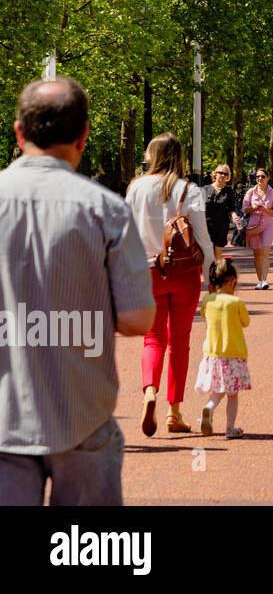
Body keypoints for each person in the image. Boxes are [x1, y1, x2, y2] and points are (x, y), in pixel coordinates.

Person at [0, 77, 155, 505]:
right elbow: (137, 319)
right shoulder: (106, 209)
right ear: (83, 136)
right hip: (82, 413)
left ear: (19, 133)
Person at [126, 132, 216, 435]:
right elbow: (202, 238)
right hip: (182, 273)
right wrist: (211, 278)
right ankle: (174, 412)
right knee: (180, 342)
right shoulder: (189, 190)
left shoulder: (136, 188)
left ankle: (150, 390)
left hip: (147, 272)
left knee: (153, 339)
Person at [196, 258, 252, 438]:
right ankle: (230, 428)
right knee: (232, 394)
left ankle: (209, 407)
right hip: (233, 353)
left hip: (213, 353)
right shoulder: (236, 302)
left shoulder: (208, 300)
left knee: (218, 390)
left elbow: (204, 315)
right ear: (232, 281)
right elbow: (246, 322)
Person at [242, 168, 273, 290]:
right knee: (257, 254)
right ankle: (259, 280)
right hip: (254, 225)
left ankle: (264, 280)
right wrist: (253, 208)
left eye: (263, 176)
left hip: (268, 225)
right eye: (257, 176)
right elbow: (244, 209)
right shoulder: (250, 192)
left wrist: (264, 210)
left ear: (268, 178)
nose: (260, 178)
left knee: (265, 251)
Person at [202, 164, 239, 261]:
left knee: (218, 253)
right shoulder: (205, 189)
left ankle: (216, 270)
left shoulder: (229, 191)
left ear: (228, 176)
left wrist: (234, 216)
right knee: (208, 253)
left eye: (225, 174)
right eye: (220, 173)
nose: (222, 175)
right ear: (215, 174)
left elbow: (231, 208)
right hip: (207, 225)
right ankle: (209, 270)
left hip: (222, 225)